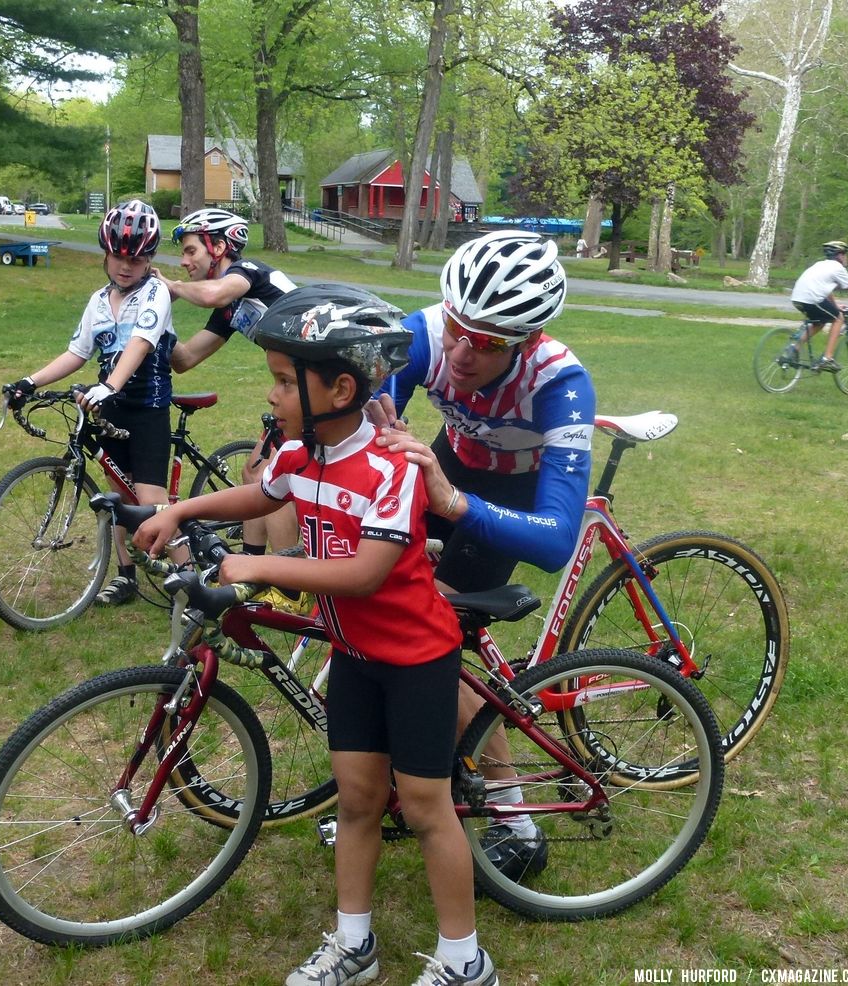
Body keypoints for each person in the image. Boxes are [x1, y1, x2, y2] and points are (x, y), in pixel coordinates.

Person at [133, 284, 500, 986]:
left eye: (281, 380)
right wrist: (181, 510)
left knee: (425, 807)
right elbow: (263, 494)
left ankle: (465, 960)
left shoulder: (392, 466)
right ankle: (354, 944)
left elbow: (365, 574)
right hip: (356, 658)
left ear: (338, 388)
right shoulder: (302, 453)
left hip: (417, 660)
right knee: (358, 800)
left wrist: (259, 563)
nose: (270, 395)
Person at [368, 229, 595, 882]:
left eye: (489, 341)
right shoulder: (424, 334)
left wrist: (456, 505)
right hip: (452, 461)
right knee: (376, 607)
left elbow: (554, 541)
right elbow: (372, 428)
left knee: (437, 645)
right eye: (460, 329)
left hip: (509, 494)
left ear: (525, 340)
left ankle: (513, 817)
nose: (463, 352)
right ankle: (382, 781)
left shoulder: (561, 384)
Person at [3, 199, 177, 607]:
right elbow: (77, 354)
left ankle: (189, 581)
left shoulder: (157, 292)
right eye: (118, 255)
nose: (126, 266)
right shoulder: (99, 300)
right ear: (106, 252)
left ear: (150, 258)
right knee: (116, 498)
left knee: (152, 504)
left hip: (147, 409)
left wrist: (111, 384)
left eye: (136, 258)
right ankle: (126, 577)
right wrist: (29, 381)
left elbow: (140, 343)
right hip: (109, 406)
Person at [155, 207, 299, 556]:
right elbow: (186, 359)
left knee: (270, 480)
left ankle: (291, 589)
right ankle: (251, 566)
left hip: (318, 381)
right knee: (254, 475)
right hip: (298, 386)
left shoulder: (245, 272)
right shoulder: (230, 310)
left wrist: (171, 287)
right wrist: (157, 324)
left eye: (191, 251)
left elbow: (213, 293)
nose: (185, 261)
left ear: (218, 247)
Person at [788, 240, 848, 372]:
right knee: (839, 318)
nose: (846, 258)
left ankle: (795, 348)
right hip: (812, 299)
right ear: (840, 255)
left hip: (797, 298)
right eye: (845, 254)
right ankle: (827, 358)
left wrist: (835, 304)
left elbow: (825, 289)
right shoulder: (839, 268)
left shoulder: (820, 265)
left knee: (819, 323)